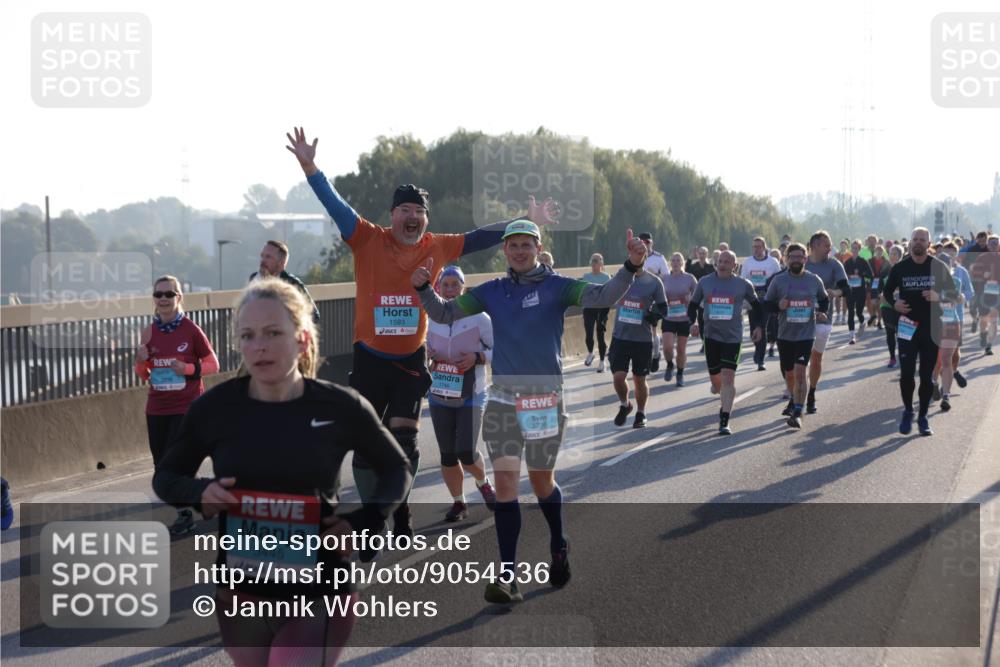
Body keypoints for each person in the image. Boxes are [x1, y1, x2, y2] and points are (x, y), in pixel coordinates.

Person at [286, 127, 557, 538]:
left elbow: (482, 237)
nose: (412, 218)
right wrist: (311, 167)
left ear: (425, 219)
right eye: (405, 210)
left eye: (419, 212)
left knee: (405, 442)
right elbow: (334, 203)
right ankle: (377, 514)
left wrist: (525, 222)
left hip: (410, 361)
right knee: (365, 444)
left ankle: (399, 510)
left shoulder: (438, 245)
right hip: (370, 358)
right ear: (392, 215)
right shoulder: (366, 238)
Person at [154, 278, 411, 666]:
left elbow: (396, 468)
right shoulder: (214, 409)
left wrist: (366, 520)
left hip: (321, 590)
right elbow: (166, 476)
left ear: (302, 340)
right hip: (241, 592)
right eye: (248, 336)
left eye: (273, 333)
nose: (259, 346)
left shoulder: (340, 406)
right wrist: (199, 492)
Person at [413, 220, 647, 603]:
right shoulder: (492, 292)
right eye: (513, 245)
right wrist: (423, 288)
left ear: (538, 248)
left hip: (543, 399)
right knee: (506, 486)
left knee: (541, 484)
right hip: (503, 400)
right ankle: (508, 576)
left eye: (527, 245)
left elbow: (604, 296)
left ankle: (558, 542)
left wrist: (631, 266)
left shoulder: (558, 287)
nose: (520, 251)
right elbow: (444, 314)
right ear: (504, 251)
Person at [135, 275, 219, 536]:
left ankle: (185, 515)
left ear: (179, 297)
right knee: (161, 466)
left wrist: (188, 369)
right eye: (158, 294)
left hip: (185, 406)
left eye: (169, 294)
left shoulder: (191, 330)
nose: (163, 299)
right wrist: (140, 360)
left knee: (176, 462)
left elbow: (213, 364)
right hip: (157, 407)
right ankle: (204, 495)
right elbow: (143, 374)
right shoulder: (148, 332)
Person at [425, 266, 498, 522]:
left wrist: (477, 357)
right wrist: (428, 358)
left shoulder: (480, 318)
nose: (450, 290)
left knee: (465, 451)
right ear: (438, 288)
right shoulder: (431, 318)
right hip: (439, 393)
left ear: (463, 287)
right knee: (447, 455)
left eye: (455, 285)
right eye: (445, 285)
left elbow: (500, 349)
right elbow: (425, 351)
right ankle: (459, 502)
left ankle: (483, 482)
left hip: (472, 393)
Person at [881, 227, 958, 436]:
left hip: (932, 327)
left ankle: (923, 417)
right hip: (907, 326)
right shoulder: (900, 268)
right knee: (906, 374)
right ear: (910, 243)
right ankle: (908, 410)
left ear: (928, 244)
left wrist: (939, 296)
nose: (918, 242)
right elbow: (886, 291)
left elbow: (954, 294)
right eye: (915, 239)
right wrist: (895, 304)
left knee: (926, 376)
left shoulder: (938, 266)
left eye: (922, 240)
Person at [688, 250, 764, 435]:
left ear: (734, 266)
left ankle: (724, 419)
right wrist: (693, 323)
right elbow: (692, 305)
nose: (722, 264)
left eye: (726, 262)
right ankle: (717, 387)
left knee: (728, 377)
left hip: (733, 337)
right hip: (711, 335)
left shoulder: (743, 284)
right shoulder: (705, 282)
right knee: (717, 381)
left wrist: (758, 327)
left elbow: (757, 307)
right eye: (720, 261)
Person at [764, 243, 829, 428]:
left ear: (805, 259)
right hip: (785, 334)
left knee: (800, 372)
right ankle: (794, 398)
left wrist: (822, 312)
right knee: (789, 374)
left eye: (800, 257)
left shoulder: (814, 280)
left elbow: (824, 299)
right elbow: (767, 304)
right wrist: (778, 306)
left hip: (806, 334)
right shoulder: (778, 281)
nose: (796, 260)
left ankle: (798, 412)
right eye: (792, 257)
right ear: (786, 259)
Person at [608, 259, 667, 428]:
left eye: (640, 256)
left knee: (639, 379)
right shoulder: (619, 278)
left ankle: (641, 413)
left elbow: (663, 308)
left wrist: (653, 316)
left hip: (642, 339)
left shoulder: (654, 282)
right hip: (620, 337)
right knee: (618, 377)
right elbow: (606, 296)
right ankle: (625, 404)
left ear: (644, 259)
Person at [804, 231, 849, 414]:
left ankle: (811, 392)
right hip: (799, 318)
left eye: (830, 245)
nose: (830, 248)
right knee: (799, 360)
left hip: (823, 317)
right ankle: (796, 395)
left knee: (815, 358)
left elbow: (846, 289)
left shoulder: (834, 264)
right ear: (814, 245)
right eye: (826, 245)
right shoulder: (801, 263)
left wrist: (835, 293)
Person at [932, 244, 974, 411]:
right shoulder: (929, 283)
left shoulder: (957, 280)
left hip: (952, 322)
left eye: (946, 266)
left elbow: (962, 296)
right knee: (936, 360)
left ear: (950, 267)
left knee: (948, 359)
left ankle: (946, 395)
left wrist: (961, 298)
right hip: (934, 325)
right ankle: (934, 382)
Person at [250, 240, 319, 322]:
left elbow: (314, 315)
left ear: (281, 263)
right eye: (262, 256)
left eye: (268, 257)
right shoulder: (254, 279)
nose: (263, 260)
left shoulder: (292, 284)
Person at [739, 236, 781, 370]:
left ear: (764, 247)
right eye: (754, 247)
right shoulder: (748, 262)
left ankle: (760, 359)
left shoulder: (773, 262)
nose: (756, 249)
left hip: (767, 298)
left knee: (762, 326)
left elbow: (779, 280)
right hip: (753, 298)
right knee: (753, 327)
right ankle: (758, 348)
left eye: (759, 246)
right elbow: (743, 280)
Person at [661, 252, 698, 386]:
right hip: (669, 317)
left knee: (681, 350)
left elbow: (698, 296)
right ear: (670, 263)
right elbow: (658, 295)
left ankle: (680, 374)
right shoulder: (664, 278)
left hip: (684, 319)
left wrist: (690, 299)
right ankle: (670, 365)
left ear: (682, 263)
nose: (675, 263)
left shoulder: (689, 278)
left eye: (678, 260)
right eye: (673, 260)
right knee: (667, 348)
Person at [637, 233, 669, 372]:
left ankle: (655, 355)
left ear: (651, 243)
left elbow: (666, 276)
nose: (645, 245)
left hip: (655, 296)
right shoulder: (634, 257)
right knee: (641, 328)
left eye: (647, 242)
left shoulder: (659, 258)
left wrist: (654, 276)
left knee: (653, 328)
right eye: (642, 243)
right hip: (639, 298)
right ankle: (646, 356)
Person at [970, 235, 1000, 355]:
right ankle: (983, 334)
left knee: (993, 320)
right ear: (988, 245)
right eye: (991, 243)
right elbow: (974, 273)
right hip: (984, 292)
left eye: (996, 243)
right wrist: (983, 275)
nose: (993, 246)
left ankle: (989, 345)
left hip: (997, 293)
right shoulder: (981, 258)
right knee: (984, 319)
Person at [581, 253, 611, 372]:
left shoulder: (606, 277)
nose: (594, 264)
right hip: (589, 308)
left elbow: (609, 293)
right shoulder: (586, 276)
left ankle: (602, 362)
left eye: (596, 261)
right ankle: (590, 353)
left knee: (600, 334)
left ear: (601, 264)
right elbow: (583, 291)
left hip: (602, 308)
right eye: (592, 261)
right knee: (589, 333)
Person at [843, 240, 874, 344]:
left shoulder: (863, 261)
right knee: (851, 312)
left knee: (859, 312)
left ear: (859, 249)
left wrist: (861, 275)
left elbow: (871, 275)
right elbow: (842, 275)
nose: (854, 250)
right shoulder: (847, 262)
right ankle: (852, 336)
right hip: (851, 290)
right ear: (850, 249)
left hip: (861, 290)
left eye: (856, 248)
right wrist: (848, 276)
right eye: (853, 248)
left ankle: (862, 321)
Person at [879, 245, 904, 368]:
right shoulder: (885, 271)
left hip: (901, 306)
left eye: (895, 254)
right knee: (890, 332)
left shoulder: (905, 271)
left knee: (901, 334)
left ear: (900, 256)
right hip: (887, 306)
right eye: (891, 254)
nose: (892, 256)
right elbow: (879, 287)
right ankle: (892, 358)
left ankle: (903, 356)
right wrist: (880, 294)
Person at [869, 245, 888, 329]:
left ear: (883, 252)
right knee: (874, 303)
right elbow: (866, 272)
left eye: (880, 251)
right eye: (877, 250)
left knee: (880, 304)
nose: (879, 252)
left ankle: (879, 322)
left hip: (882, 284)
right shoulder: (870, 261)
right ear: (875, 252)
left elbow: (888, 273)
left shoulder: (886, 262)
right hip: (873, 284)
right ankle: (874, 317)